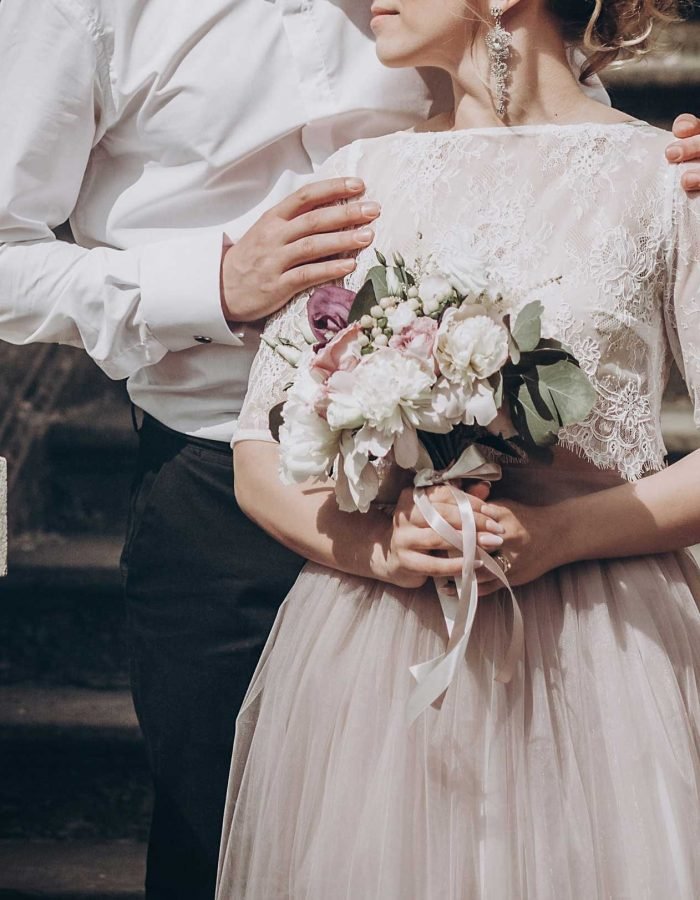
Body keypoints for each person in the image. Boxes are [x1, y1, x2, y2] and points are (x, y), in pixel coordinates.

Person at [0, 2, 697, 898]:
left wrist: (652, 171)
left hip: (583, 583)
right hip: (233, 489)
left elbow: (539, 125)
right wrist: (208, 283)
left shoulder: (641, 169)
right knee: (232, 844)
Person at [217, 0, 700, 897]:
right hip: (380, 656)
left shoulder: (665, 176)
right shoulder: (356, 179)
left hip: (607, 651)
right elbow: (258, 452)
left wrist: (560, 535)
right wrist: (378, 549)